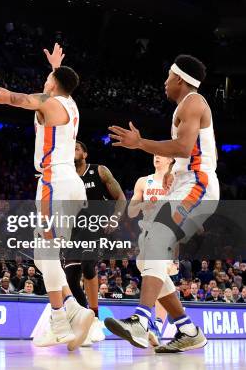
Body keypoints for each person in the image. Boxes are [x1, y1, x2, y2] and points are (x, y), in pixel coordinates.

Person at [0, 43, 94, 350]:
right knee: (44, 256)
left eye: (49, 79)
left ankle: (65, 316)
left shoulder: (49, 102)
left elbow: (8, 97)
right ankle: (68, 312)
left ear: (54, 85)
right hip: (70, 183)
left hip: (55, 181)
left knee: (46, 253)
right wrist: (55, 68)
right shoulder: (70, 104)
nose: (45, 82)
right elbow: (61, 83)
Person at [107, 55, 218, 353]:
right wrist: (171, 172)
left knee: (157, 237)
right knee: (147, 258)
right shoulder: (185, 107)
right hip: (186, 182)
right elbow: (186, 150)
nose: (165, 82)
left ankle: (142, 321)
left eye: (168, 76)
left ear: (179, 79)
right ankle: (188, 329)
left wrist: (140, 143)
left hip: (199, 184)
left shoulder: (193, 102)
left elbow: (183, 147)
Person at [68, 140, 127, 346]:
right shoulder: (65, 177)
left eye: (76, 148)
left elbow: (121, 197)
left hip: (97, 226)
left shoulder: (99, 171)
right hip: (73, 230)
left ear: (85, 154)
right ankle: (86, 321)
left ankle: (94, 316)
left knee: (87, 265)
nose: (72, 150)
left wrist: (115, 218)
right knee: (70, 277)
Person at [128, 154, 175, 346]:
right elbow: (131, 211)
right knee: (156, 277)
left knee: (155, 277)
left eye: (162, 154)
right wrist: (141, 205)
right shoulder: (143, 181)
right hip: (145, 234)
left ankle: (155, 323)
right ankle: (180, 319)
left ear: (171, 160)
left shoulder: (176, 182)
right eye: (155, 153)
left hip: (167, 234)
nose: (157, 156)